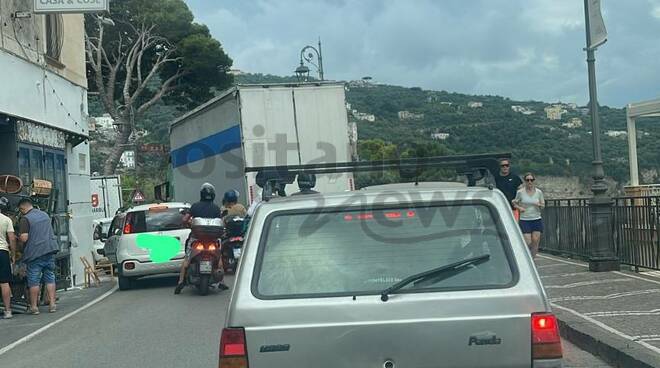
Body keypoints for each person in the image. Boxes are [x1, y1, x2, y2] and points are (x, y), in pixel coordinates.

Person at [174, 183, 225, 294]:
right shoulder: (216, 208)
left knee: (187, 260)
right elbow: (222, 223)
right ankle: (222, 282)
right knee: (218, 257)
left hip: (196, 238)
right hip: (213, 240)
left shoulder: (195, 206)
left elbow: (184, 220)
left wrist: (187, 224)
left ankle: (180, 282)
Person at [17, 198, 59, 314]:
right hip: (49, 250)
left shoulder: (25, 219)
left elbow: (24, 238)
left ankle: (34, 307)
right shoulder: (45, 215)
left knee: (34, 281)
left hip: (35, 253)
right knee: (50, 277)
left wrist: (19, 238)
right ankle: (52, 304)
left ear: (22, 208)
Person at [513, 173, 545, 258]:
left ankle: (532, 261)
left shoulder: (539, 192)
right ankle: (526, 257)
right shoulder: (520, 192)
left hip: (536, 219)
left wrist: (539, 205)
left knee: (535, 241)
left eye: (531, 180)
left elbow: (543, 205)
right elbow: (514, 203)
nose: (529, 182)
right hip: (525, 220)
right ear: (525, 181)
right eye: (527, 180)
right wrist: (520, 208)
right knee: (528, 242)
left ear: (534, 181)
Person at [0, 197, 17, 319]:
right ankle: (8, 310)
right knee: (4, 282)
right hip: (2, 252)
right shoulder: (6, 220)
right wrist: (13, 254)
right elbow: (11, 238)